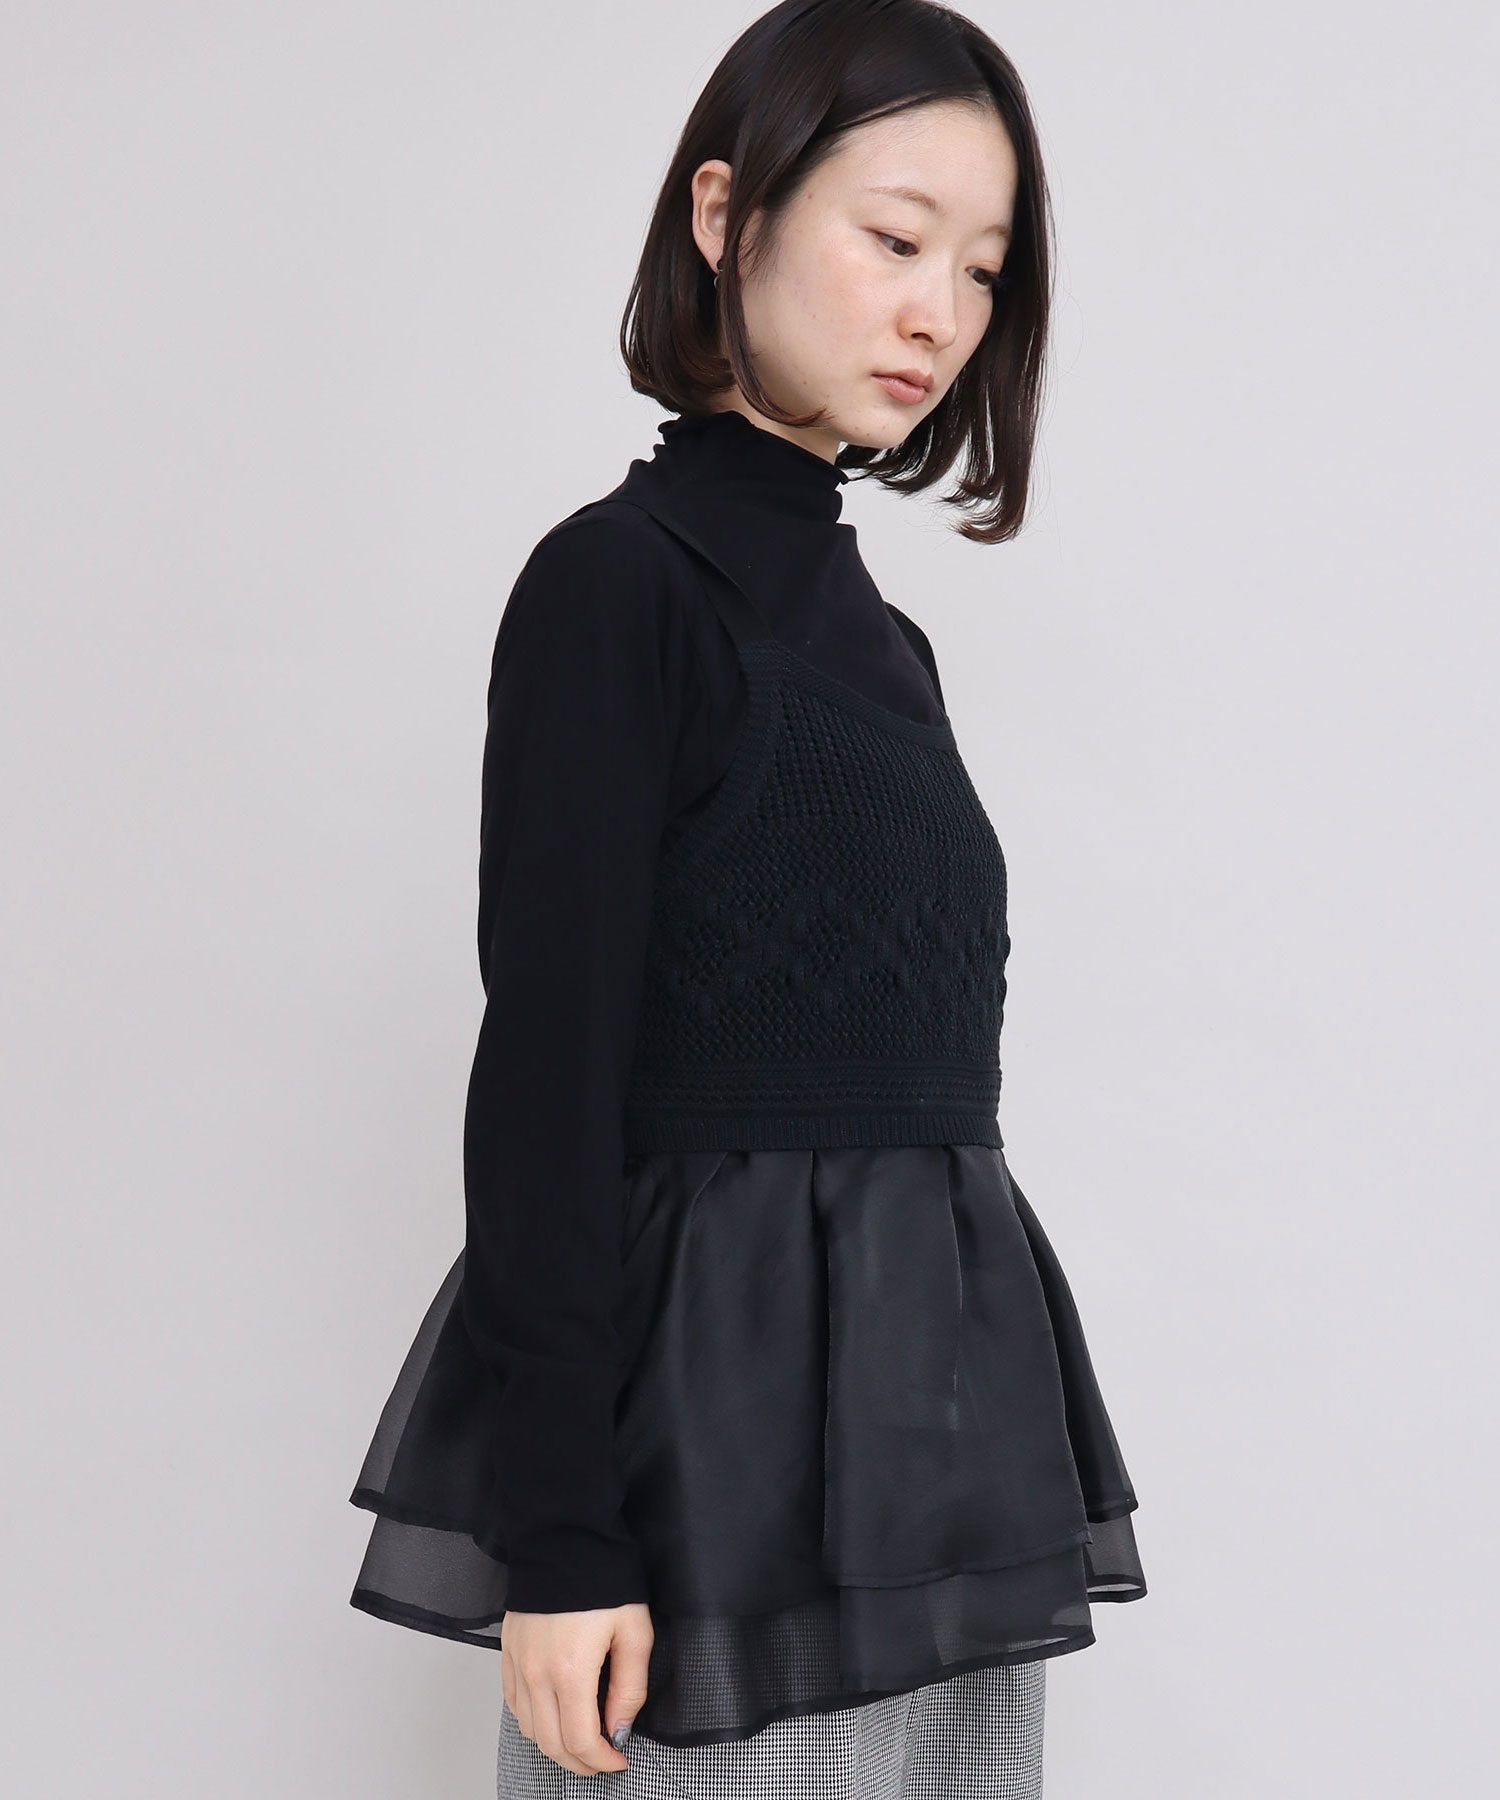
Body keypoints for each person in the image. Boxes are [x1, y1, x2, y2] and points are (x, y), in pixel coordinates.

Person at [347, 3, 1147, 1793]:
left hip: (942, 1479)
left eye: (984, 269)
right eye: (896, 239)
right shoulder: (617, 589)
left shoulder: (890, 646)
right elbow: (547, 1080)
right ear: (726, 215)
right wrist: (564, 1541)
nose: (940, 312)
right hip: (708, 1484)